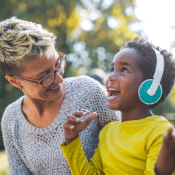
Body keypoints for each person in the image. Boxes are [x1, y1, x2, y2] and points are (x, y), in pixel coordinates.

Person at [0, 17, 121, 175]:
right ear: (14, 81)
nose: (59, 79)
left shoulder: (88, 91)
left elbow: (128, 144)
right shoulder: (11, 119)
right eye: (44, 77)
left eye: (58, 65)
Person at [60, 38, 175, 175]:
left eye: (124, 70)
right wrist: (72, 141)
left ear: (150, 87)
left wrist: (162, 171)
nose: (110, 77)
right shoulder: (108, 132)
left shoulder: (159, 131)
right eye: (112, 69)